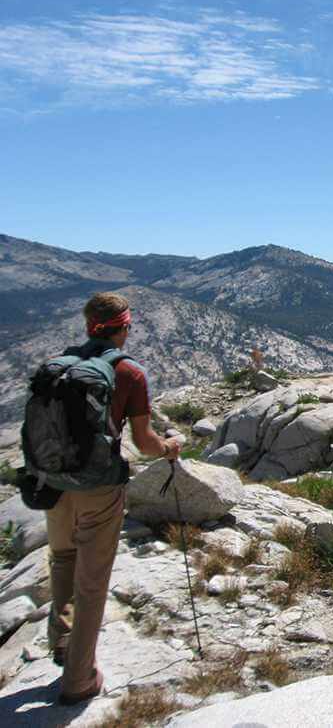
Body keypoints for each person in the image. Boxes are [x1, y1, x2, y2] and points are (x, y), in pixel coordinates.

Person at [43, 293, 180, 704]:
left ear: (89, 326)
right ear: (124, 327)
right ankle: (79, 679)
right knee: (93, 580)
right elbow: (142, 442)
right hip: (98, 486)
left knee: (62, 558)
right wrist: (169, 446)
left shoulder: (59, 365)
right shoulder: (129, 374)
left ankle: (62, 641)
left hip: (51, 481)